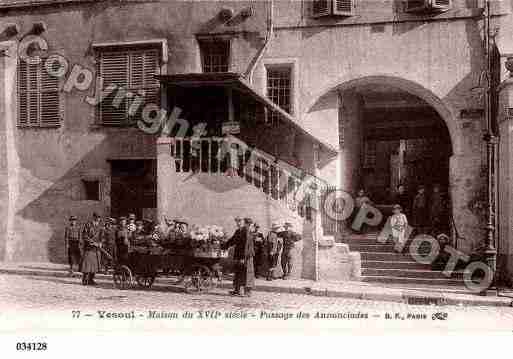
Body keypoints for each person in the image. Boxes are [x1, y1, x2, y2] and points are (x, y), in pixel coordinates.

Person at [221, 217, 255, 297]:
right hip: (239, 255)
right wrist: (223, 246)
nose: (238, 223)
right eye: (237, 221)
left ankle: (248, 292)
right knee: (238, 272)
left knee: (247, 273)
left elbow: (246, 245)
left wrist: (243, 257)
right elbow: (232, 240)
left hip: (246, 255)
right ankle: (237, 290)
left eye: (240, 221)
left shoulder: (246, 231)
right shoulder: (238, 231)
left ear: (244, 223)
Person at [81, 213, 102, 285]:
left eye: (99, 217)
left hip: (96, 249)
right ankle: (85, 280)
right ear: (94, 217)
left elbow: (102, 236)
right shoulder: (88, 225)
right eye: (97, 217)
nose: (98, 219)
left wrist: (100, 243)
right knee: (87, 264)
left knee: (95, 265)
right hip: (89, 248)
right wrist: (92, 242)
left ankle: (91, 279)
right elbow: (84, 235)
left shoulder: (100, 227)